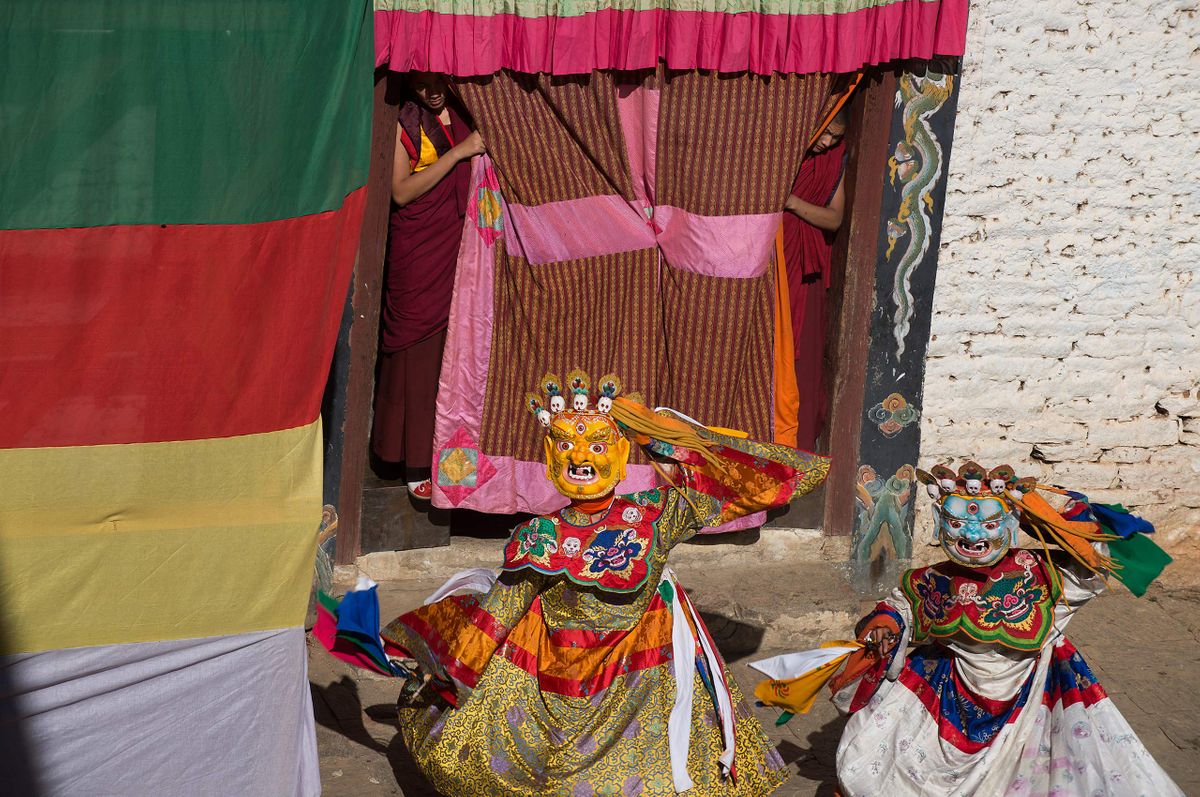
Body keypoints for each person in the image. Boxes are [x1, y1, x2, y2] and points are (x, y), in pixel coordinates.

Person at [319, 370, 830, 795]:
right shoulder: (538, 537)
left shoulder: (655, 515)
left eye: (596, 442)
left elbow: (765, 483)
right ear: (549, 454)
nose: (579, 455)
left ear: (621, 451)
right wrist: (439, 667)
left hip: (640, 684)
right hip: (554, 681)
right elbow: (497, 613)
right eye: (564, 443)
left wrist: (667, 440)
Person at [760, 460, 1180, 796]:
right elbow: (900, 605)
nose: (973, 533)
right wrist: (887, 624)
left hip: (1026, 701)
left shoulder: (1043, 574)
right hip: (943, 692)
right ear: (941, 523)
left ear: (1011, 525)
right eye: (958, 523)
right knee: (872, 749)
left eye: (988, 524)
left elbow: (1099, 559)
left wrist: (1048, 517)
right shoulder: (933, 576)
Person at [371, 72, 485, 499]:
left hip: (458, 243)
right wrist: (459, 153)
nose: (433, 91)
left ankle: (443, 455)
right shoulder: (407, 121)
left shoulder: (465, 110)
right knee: (415, 356)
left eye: (439, 81)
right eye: (422, 85)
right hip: (419, 251)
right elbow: (400, 192)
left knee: (449, 357)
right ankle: (411, 458)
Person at [782, 108, 848, 451]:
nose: (827, 143)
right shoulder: (782, 148)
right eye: (824, 133)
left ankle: (798, 446)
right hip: (772, 262)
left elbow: (834, 218)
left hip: (805, 270)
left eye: (835, 138)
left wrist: (792, 202)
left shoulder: (834, 157)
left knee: (802, 361)